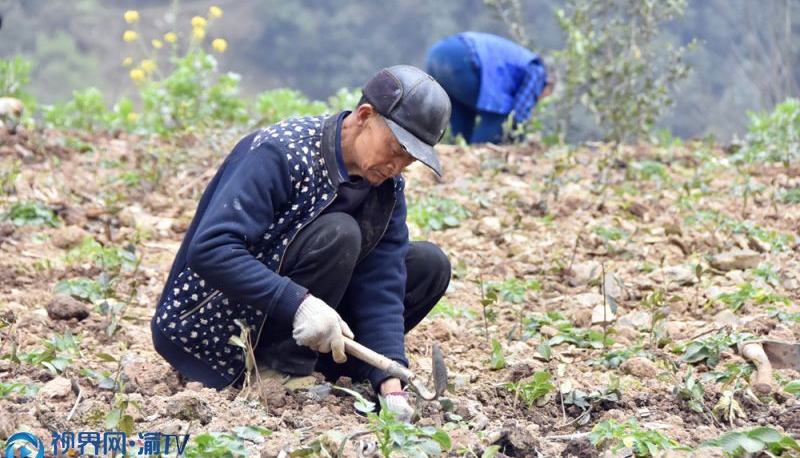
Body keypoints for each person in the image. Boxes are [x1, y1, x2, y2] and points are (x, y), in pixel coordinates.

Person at [151, 65, 452, 422]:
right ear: (365, 116)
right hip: (220, 328)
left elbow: (382, 282)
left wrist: (390, 377)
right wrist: (298, 303)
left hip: (303, 324)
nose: (397, 166)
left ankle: (334, 366)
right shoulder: (282, 152)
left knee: (428, 265)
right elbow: (211, 249)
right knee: (340, 233)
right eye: (395, 148)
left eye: (410, 159)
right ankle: (279, 370)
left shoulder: (386, 186)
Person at [426, 31, 554, 144]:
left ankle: (457, 154)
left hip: (437, 55)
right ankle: (477, 154)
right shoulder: (539, 70)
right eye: (543, 96)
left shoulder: (519, 60)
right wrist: (520, 140)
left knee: (462, 128)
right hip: (463, 59)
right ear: (548, 84)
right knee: (500, 115)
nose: (538, 100)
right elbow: (518, 113)